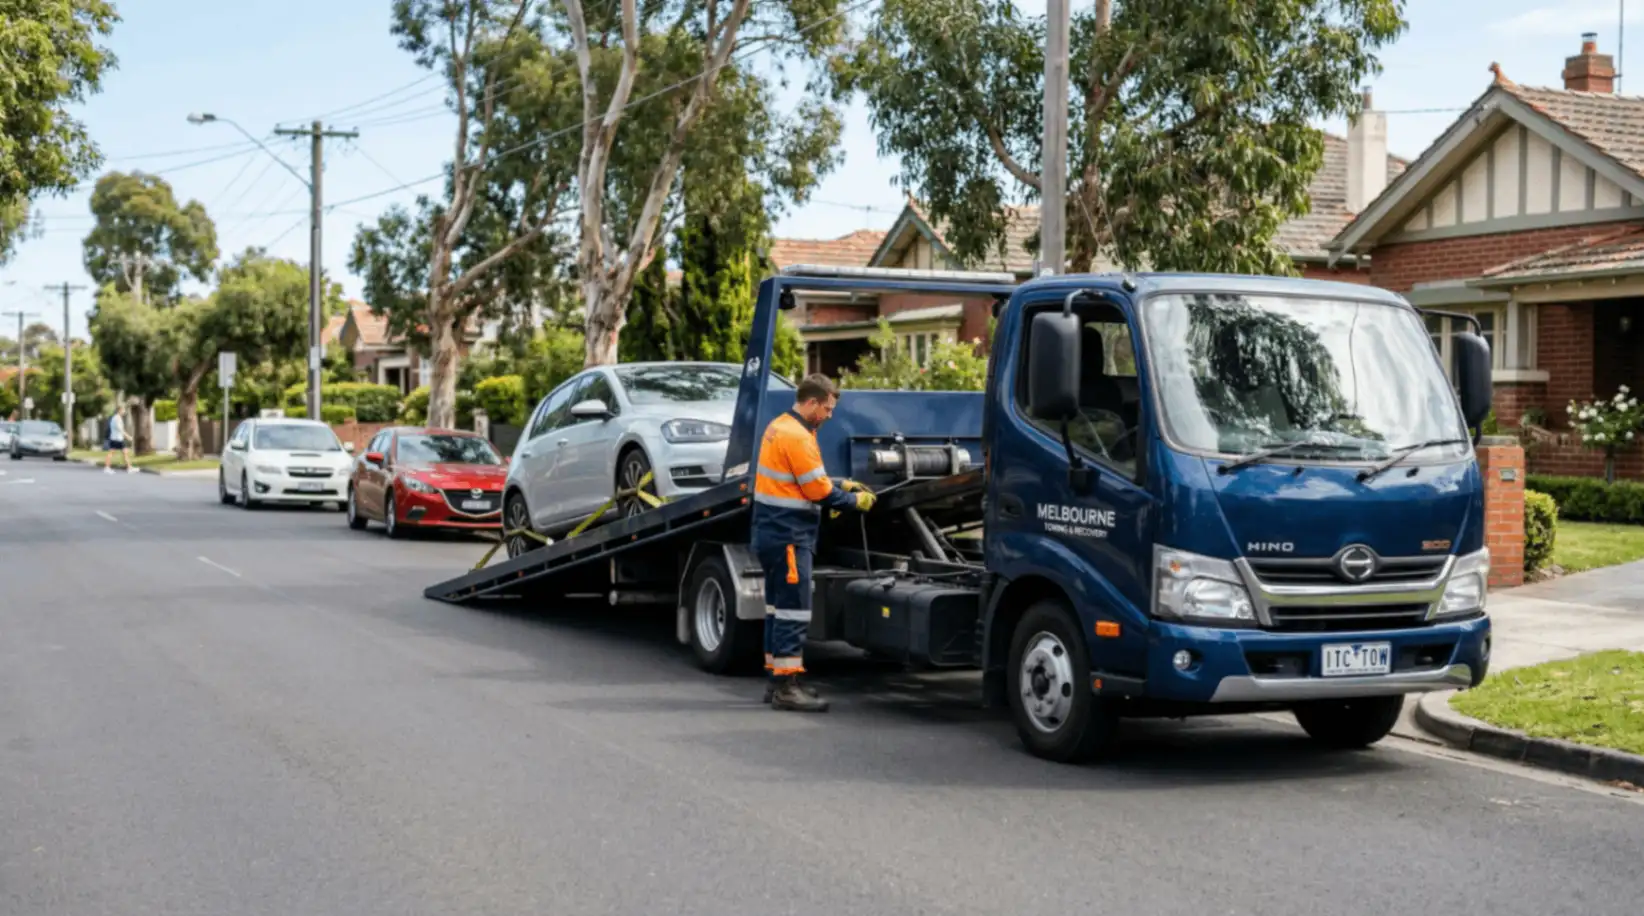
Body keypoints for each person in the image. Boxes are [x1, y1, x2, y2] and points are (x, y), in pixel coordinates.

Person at [750, 373, 876, 712]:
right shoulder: (798, 437)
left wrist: (841, 485)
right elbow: (816, 490)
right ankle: (787, 689)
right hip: (790, 536)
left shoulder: (779, 426)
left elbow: (802, 479)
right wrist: (853, 501)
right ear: (811, 403)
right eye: (827, 408)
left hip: (771, 533)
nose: (830, 415)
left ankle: (776, 681)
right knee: (793, 611)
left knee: (777, 609)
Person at [104, 407, 135, 474]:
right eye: (123, 410)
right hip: (117, 439)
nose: (124, 411)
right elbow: (120, 429)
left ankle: (129, 468)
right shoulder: (117, 418)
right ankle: (107, 468)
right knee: (113, 453)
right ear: (119, 410)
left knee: (124, 452)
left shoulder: (116, 418)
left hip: (116, 438)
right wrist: (128, 437)